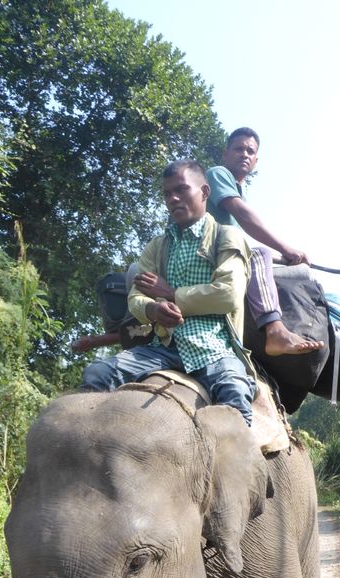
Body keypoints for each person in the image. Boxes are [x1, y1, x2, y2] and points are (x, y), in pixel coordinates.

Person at [82, 159, 256, 425]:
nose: (173, 198)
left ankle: (247, 467)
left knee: (235, 396)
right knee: (97, 374)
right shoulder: (157, 245)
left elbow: (228, 295)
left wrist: (172, 294)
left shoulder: (227, 236)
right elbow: (136, 297)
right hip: (162, 348)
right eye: (167, 193)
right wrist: (152, 309)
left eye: (182, 190)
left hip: (215, 349)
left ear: (205, 192)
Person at [207, 127, 324, 358]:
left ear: (256, 160)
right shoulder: (218, 174)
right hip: (207, 254)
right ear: (225, 153)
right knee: (260, 255)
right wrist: (285, 248)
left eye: (250, 151)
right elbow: (243, 216)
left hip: (226, 253)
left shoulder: (239, 189)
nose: (244, 154)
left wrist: (285, 258)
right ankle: (275, 330)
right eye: (238, 149)